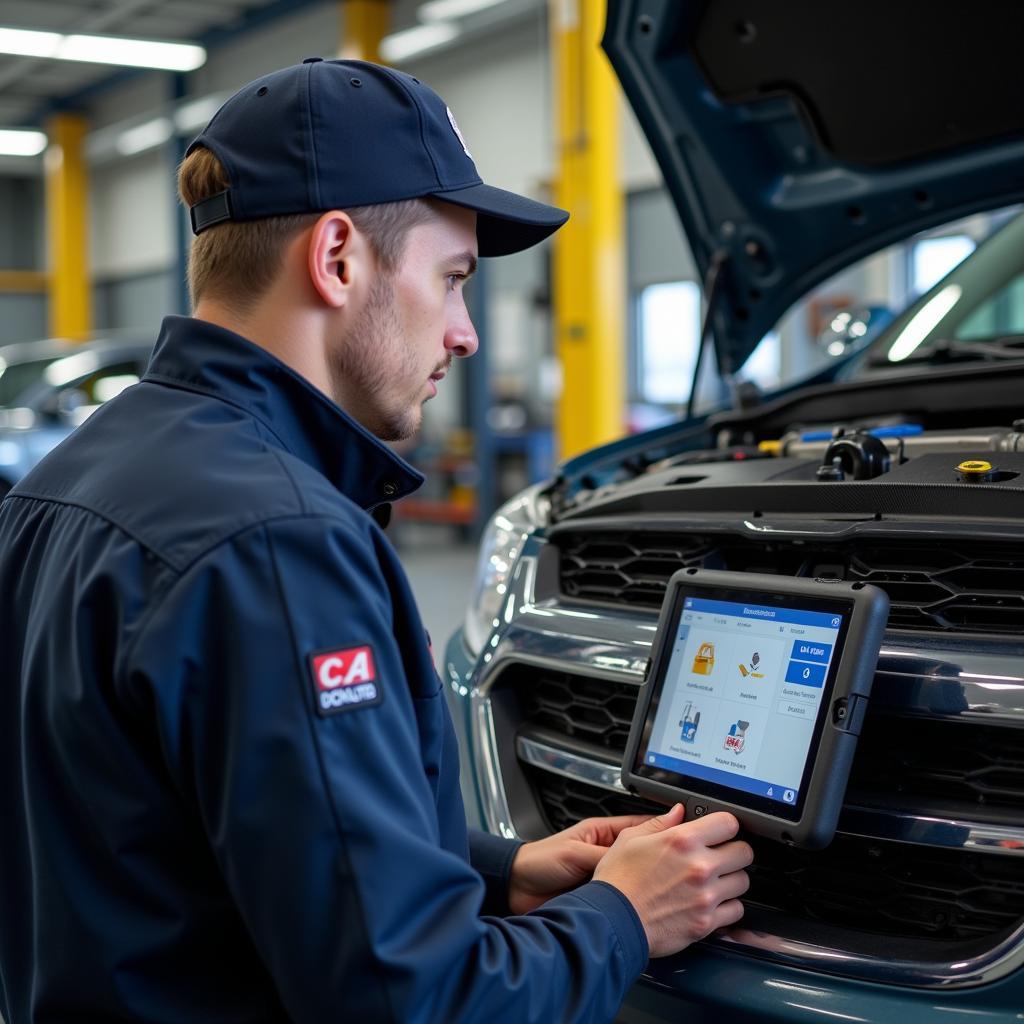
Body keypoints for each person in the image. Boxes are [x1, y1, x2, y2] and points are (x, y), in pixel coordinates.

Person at [0, 58, 752, 1023]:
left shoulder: (68, 480)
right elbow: (413, 1001)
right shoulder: (276, 542)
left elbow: (173, 834)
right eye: (452, 279)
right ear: (338, 257)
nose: (466, 332)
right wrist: (621, 916)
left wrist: (498, 872)